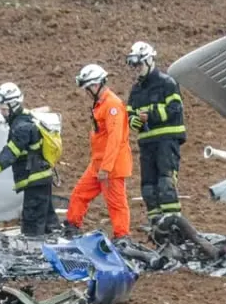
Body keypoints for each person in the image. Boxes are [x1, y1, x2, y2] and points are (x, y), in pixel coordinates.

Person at [0, 82, 60, 237]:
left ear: (13, 105)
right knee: (49, 223)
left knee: (32, 226)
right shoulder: (24, 120)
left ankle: (36, 255)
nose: (1, 112)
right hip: (40, 181)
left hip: (35, 181)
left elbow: (8, 155)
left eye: (3, 108)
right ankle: (56, 248)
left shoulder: (22, 127)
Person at [61, 64, 133, 243]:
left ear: (95, 85)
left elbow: (115, 140)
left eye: (87, 88)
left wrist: (106, 168)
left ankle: (122, 238)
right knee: (79, 194)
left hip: (111, 166)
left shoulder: (112, 105)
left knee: (116, 204)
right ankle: (71, 228)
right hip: (98, 164)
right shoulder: (101, 104)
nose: (86, 92)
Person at [125, 41, 186, 229]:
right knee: (148, 188)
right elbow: (129, 115)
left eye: (139, 65)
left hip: (167, 141)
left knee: (166, 184)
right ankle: (156, 226)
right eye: (135, 66)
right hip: (147, 143)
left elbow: (175, 109)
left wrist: (149, 114)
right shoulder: (136, 90)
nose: (137, 69)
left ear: (150, 60)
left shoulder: (167, 82)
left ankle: (173, 224)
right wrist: (134, 121)